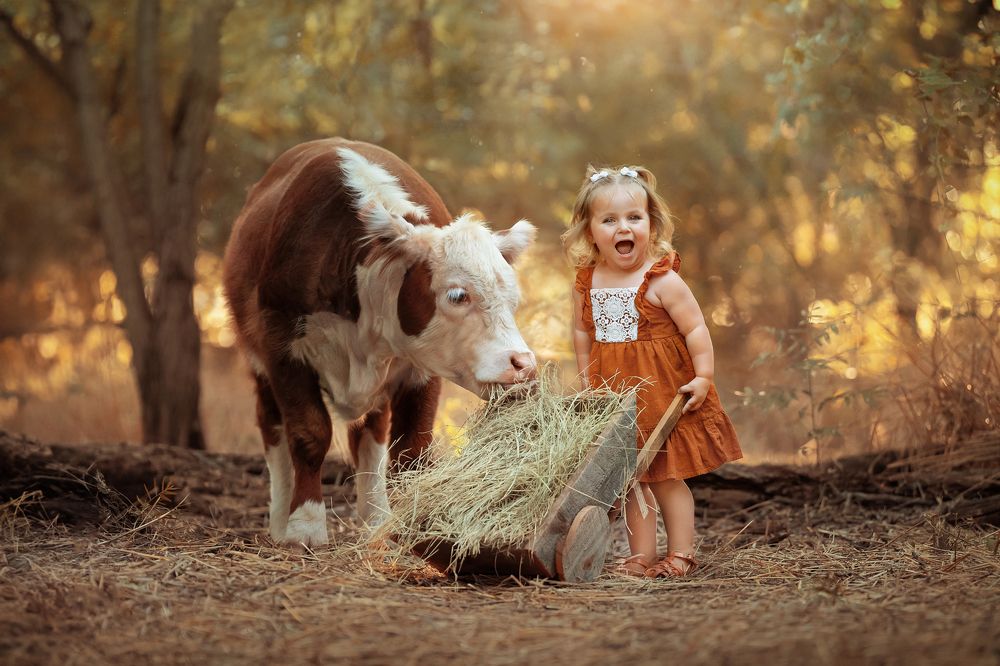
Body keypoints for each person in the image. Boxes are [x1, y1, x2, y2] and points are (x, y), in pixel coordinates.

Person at [562, 165, 743, 578]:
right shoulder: (587, 282)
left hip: (662, 394)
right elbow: (581, 331)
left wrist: (704, 376)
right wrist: (588, 380)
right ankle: (640, 554)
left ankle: (680, 552)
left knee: (666, 478)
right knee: (630, 481)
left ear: (651, 224)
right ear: (590, 232)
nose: (622, 227)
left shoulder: (662, 280)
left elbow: (695, 328)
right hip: (617, 398)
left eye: (633, 218)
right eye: (609, 220)